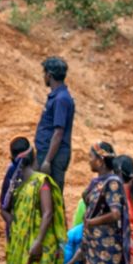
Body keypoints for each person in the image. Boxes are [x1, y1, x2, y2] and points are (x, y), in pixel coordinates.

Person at [4, 140, 67, 264]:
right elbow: (47, 212)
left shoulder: (38, 183)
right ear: (34, 157)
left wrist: (37, 241)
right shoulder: (29, 183)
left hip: (39, 247)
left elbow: (47, 213)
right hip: (30, 245)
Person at [35, 57, 75, 194]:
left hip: (53, 155)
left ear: (49, 75)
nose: (43, 77)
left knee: (52, 196)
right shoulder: (58, 96)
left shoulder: (61, 99)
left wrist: (47, 161)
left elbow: (58, 132)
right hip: (49, 152)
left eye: (44, 73)